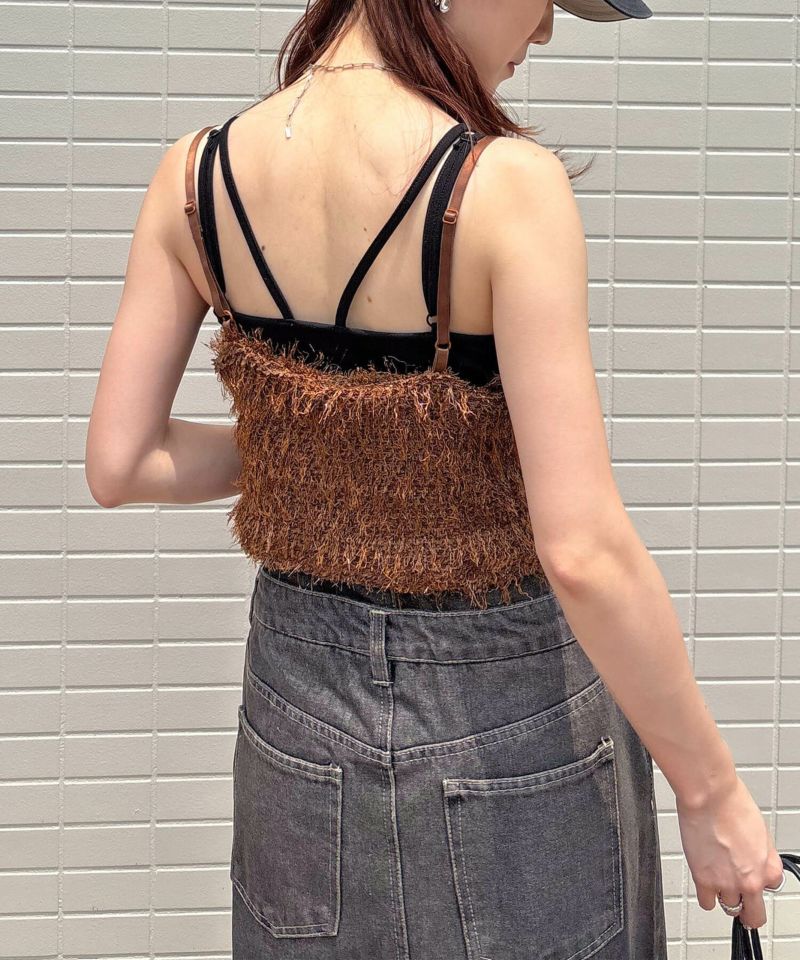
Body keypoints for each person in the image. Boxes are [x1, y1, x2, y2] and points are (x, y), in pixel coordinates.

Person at [85, 0, 786, 955]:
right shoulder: (506, 186)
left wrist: (338, 450)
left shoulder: (195, 174)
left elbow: (120, 463)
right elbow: (582, 550)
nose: (545, 32)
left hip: (296, 702)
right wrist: (711, 793)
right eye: (546, 0)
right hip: (504, 708)